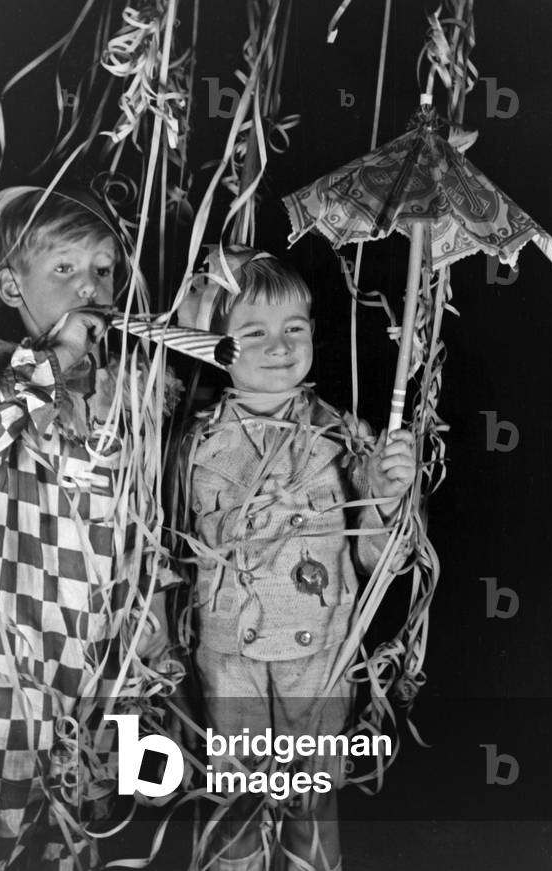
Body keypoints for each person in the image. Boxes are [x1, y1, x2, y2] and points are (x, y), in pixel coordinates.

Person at [0, 186, 177, 871]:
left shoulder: (129, 393)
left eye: (103, 270)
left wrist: (151, 612)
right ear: (11, 284)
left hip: (91, 663)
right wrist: (54, 361)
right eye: (64, 269)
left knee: (77, 836)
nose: (90, 286)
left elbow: (143, 520)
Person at [174, 246, 417, 871]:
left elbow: (374, 564)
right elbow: (171, 550)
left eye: (294, 329)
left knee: (311, 801)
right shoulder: (191, 445)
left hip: (319, 656)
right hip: (231, 655)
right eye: (254, 332)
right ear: (212, 344)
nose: (279, 346)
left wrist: (387, 500)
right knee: (237, 798)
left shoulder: (345, 437)